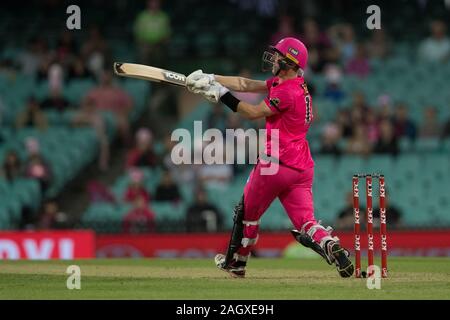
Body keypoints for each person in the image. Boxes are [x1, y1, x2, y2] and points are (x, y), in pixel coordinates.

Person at [185, 37, 354, 278]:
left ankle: (236, 263)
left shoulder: (286, 91)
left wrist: (221, 95)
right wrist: (212, 78)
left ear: (290, 62)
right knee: (306, 221)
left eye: (278, 55)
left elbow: (253, 112)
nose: (273, 58)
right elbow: (245, 84)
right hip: (301, 167)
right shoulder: (292, 82)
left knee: (247, 215)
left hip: (276, 163)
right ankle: (329, 243)